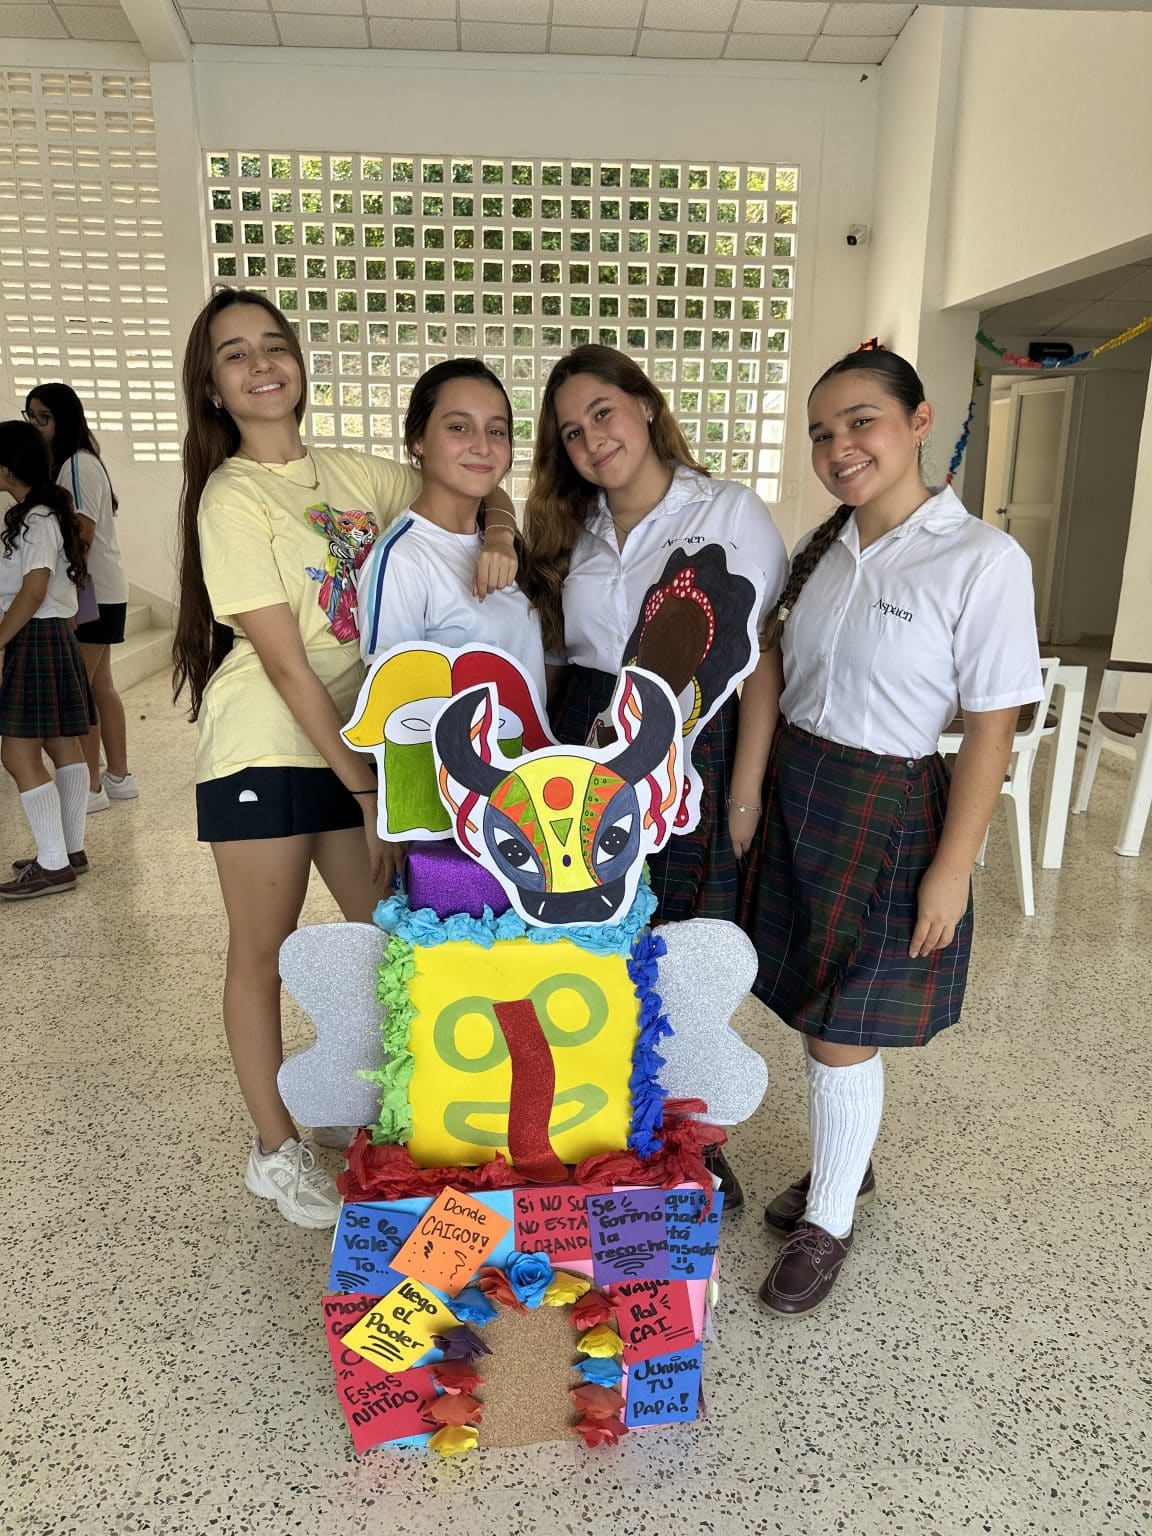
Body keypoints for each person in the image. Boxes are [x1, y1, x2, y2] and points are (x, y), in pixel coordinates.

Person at [172, 288, 518, 1230]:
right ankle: (273, 1148)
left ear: (299, 361)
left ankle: (373, 1104)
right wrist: (367, 787)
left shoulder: (353, 472)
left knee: (394, 939)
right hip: (267, 746)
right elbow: (287, 664)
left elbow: (471, 475)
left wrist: (498, 530)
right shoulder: (232, 495)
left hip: (356, 739)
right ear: (213, 387)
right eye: (235, 354)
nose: (261, 365)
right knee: (263, 951)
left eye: (273, 344)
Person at [739, 348, 1043, 1316]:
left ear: (919, 422)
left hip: (889, 807)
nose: (840, 447)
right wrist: (752, 792)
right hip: (802, 791)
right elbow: (777, 671)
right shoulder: (822, 547)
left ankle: (829, 1219)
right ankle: (849, 1160)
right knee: (814, 1004)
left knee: (844, 1025)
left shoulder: (981, 561)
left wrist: (954, 868)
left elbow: (991, 726)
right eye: (822, 433)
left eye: (861, 421)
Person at [525, 343, 788, 1209]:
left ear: (644, 404)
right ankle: (611, 1125)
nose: (592, 438)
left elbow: (757, 660)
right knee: (597, 939)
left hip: (687, 741)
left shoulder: (725, 510)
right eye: (571, 432)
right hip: (583, 735)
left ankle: (693, 1138)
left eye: (603, 412)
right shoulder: (570, 532)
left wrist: (744, 792)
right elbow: (555, 659)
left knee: (681, 947)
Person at [357, 357, 545, 876]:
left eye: (497, 431)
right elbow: (391, 701)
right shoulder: (402, 557)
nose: (482, 445)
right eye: (459, 427)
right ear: (417, 440)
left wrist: (501, 532)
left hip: (524, 799)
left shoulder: (501, 543)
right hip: (456, 818)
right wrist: (406, 826)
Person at [24, 383, 135, 811]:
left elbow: (81, 534)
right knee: (100, 686)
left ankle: (90, 787)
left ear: (64, 419)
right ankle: (118, 777)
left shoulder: (75, 464)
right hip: (103, 592)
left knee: (81, 692)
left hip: (91, 595)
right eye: (31, 416)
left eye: (44, 417)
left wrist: (63, 593)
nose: (36, 425)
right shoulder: (78, 462)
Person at [0, 421, 96, 899]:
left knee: (16, 752)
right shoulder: (41, 513)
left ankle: (54, 864)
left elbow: (34, 588)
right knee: (62, 744)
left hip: (34, 635)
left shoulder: (36, 518)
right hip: (51, 634)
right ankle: (69, 850)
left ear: (6, 468)